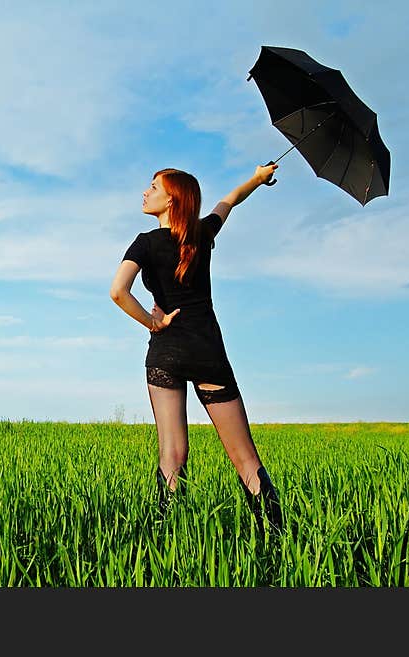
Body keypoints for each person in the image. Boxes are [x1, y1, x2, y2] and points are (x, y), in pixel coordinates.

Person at [109, 164, 283, 538]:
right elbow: (229, 202)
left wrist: (153, 323)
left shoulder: (144, 243)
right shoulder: (202, 234)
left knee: (172, 456)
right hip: (207, 351)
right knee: (245, 459)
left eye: (153, 186)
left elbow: (118, 291)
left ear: (170, 198)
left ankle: (166, 540)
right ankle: (280, 537)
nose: (145, 191)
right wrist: (257, 178)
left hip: (166, 353)